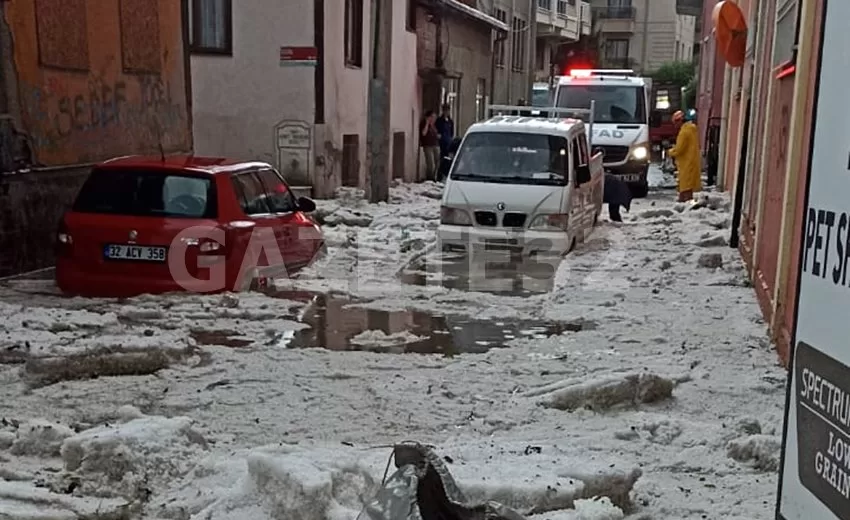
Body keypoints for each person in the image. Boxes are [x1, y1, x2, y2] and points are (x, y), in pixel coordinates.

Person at [668, 109, 701, 202]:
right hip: (692, 161)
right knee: (688, 186)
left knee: (685, 186)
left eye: (675, 123)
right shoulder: (692, 129)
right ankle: (685, 203)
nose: (675, 126)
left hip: (686, 162)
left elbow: (679, 149)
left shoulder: (684, 132)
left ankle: (685, 204)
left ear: (679, 121)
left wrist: (670, 152)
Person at [419, 110, 440, 181]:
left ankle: (435, 177)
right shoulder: (424, 124)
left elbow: (435, 133)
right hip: (428, 145)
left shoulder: (434, 125)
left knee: (437, 162)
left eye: (435, 117)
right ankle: (430, 178)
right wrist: (427, 124)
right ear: (429, 117)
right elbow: (423, 133)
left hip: (435, 145)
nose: (434, 119)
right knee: (430, 163)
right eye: (433, 117)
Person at [435, 104, 455, 173]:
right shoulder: (439, 120)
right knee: (441, 158)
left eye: (448, 110)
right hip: (441, 142)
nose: (446, 112)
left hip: (448, 142)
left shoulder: (450, 121)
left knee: (448, 158)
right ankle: (440, 172)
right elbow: (437, 130)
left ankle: (446, 171)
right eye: (445, 110)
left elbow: (452, 132)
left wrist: (451, 139)